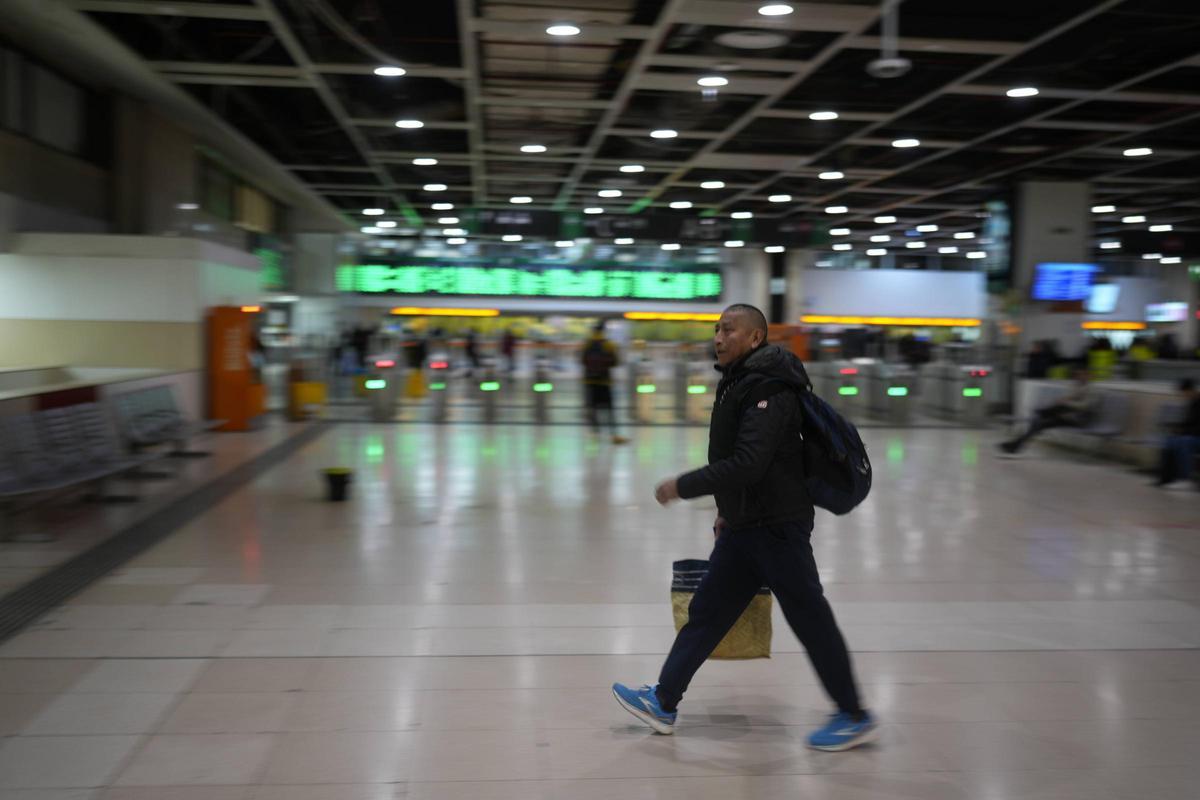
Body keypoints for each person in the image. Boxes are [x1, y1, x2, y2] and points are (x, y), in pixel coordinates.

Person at [611, 303, 876, 752]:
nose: (718, 337)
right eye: (716, 329)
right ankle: (663, 701)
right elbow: (748, 464)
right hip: (744, 526)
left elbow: (749, 463)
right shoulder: (741, 381)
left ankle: (852, 713)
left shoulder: (769, 389)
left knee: (810, 619)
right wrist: (725, 511)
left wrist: (683, 485)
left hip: (777, 529)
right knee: (707, 614)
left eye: (729, 330)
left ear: (755, 338)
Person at [1000, 368, 1097, 455]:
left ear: (1089, 375)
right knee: (1039, 423)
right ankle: (1015, 445)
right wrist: (1068, 399)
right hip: (1067, 416)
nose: (1080, 377)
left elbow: (1084, 407)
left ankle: (1015, 444)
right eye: (1078, 375)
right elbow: (1071, 398)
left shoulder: (1093, 390)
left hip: (1078, 419)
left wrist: (1068, 402)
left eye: (1083, 374)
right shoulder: (1077, 386)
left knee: (1047, 415)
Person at [581, 321, 628, 445]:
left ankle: (595, 435)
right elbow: (616, 362)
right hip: (605, 382)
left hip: (590, 382)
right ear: (604, 331)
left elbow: (582, 360)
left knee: (593, 409)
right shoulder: (609, 345)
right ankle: (614, 435)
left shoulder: (587, 344)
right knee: (609, 410)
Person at [1153, 378, 1200, 488]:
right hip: (1192, 436)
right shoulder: (1192, 403)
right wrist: (1177, 429)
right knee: (1169, 441)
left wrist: (1183, 432)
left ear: (1190, 390)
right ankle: (1166, 478)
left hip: (1195, 437)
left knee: (1183, 442)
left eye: (1184, 393)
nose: (1183, 396)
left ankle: (1185, 479)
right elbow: (1187, 422)